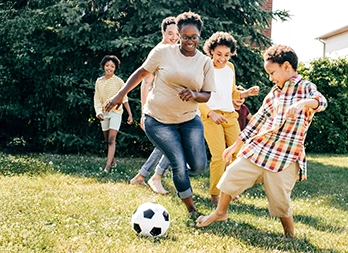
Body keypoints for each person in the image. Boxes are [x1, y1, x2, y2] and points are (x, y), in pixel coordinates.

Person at [196, 44, 328, 238]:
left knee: (280, 199)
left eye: (272, 72)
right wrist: (234, 146)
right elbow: (256, 121)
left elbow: (322, 102)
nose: (270, 77)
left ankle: (289, 234)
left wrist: (303, 103)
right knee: (231, 175)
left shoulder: (305, 87)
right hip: (262, 148)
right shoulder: (274, 92)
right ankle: (220, 212)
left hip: (286, 154)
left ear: (285, 66)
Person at [104, 11, 215, 216]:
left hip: (189, 119)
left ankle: (177, 175)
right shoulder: (163, 52)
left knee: (199, 166)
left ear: (199, 36)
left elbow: (207, 94)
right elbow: (142, 73)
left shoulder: (205, 62)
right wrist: (121, 95)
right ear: (178, 35)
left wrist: (193, 94)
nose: (189, 41)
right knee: (179, 164)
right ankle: (191, 209)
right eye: (184, 37)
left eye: (194, 37)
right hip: (158, 119)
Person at [199, 31, 259, 205]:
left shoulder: (230, 68)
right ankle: (215, 195)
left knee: (238, 154)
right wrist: (211, 113)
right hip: (210, 116)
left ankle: (230, 190)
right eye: (219, 54)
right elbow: (197, 97)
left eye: (227, 55)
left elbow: (232, 93)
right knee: (218, 156)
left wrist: (246, 93)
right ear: (211, 51)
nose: (222, 58)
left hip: (230, 116)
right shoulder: (204, 67)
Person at [130, 16, 179, 194]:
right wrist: (144, 112)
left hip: (173, 105)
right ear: (163, 32)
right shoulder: (159, 52)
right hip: (159, 106)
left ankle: (141, 176)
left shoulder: (176, 52)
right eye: (170, 33)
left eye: (177, 34)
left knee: (165, 143)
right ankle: (155, 177)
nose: (174, 37)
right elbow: (145, 82)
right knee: (173, 142)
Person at [93, 55, 133, 173]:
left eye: (112, 66)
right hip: (104, 114)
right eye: (107, 66)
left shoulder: (119, 81)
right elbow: (97, 98)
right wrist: (99, 112)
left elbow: (124, 98)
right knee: (107, 139)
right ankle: (113, 161)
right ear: (103, 67)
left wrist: (130, 114)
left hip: (116, 113)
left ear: (115, 68)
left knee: (111, 139)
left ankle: (107, 167)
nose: (109, 68)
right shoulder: (99, 81)